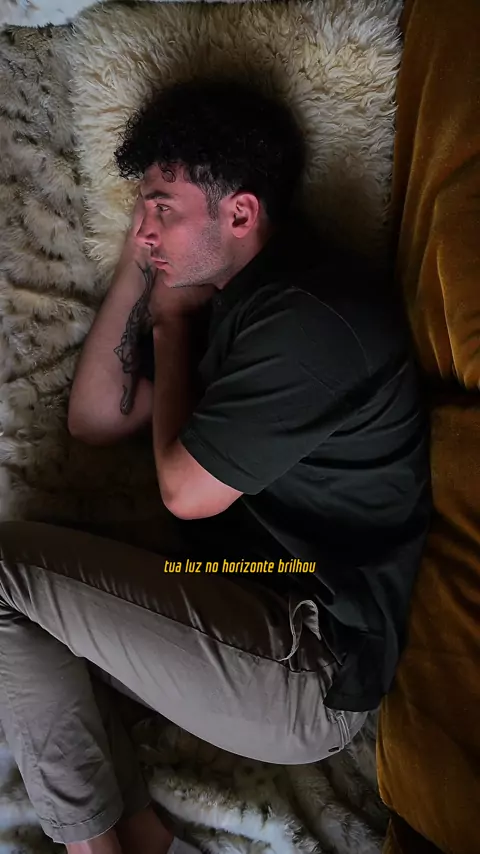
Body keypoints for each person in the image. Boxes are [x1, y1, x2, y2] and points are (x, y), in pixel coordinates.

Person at [0, 78, 430, 854]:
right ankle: (137, 838)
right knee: (36, 628)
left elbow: (185, 492)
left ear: (240, 212)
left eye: (161, 207)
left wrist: (168, 325)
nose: (143, 229)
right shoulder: (234, 305)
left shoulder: (308, 320)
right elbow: (95, 418)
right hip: (243, 614)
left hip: (309, 666)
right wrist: (147, 271)